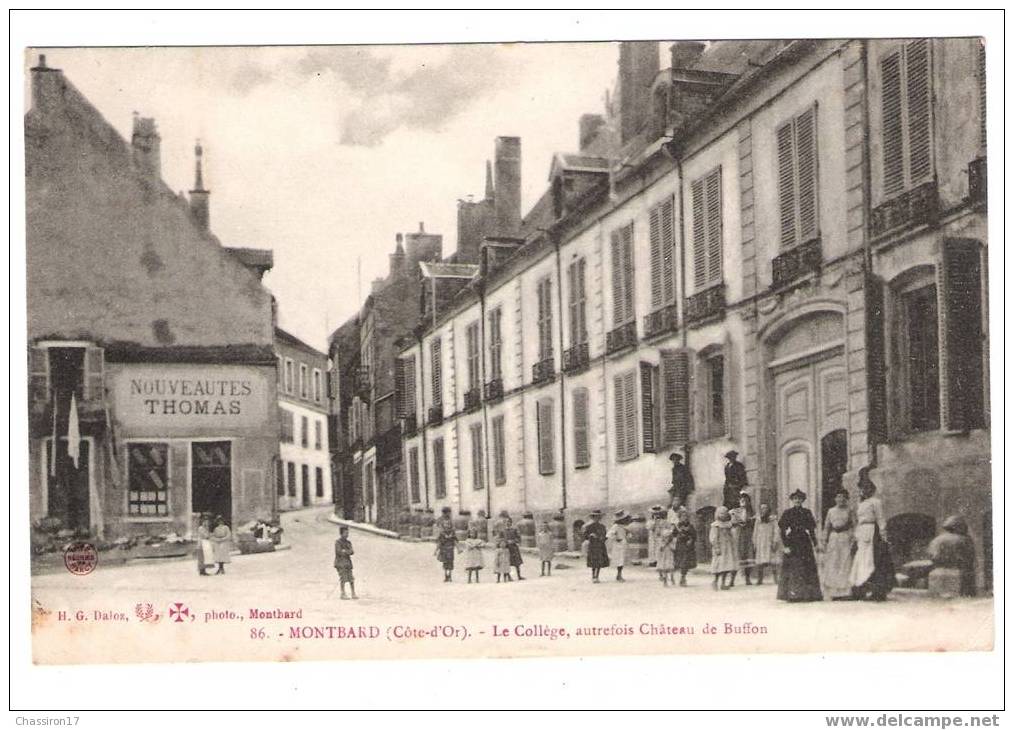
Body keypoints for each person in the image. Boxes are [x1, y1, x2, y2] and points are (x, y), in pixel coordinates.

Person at [849, 468, 895, 601]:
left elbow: (880, 518)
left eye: (867, 488)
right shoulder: (861, 504)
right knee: (860, 560)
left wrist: (883, 534)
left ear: (872, 489)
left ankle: (878, 591)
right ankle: (860, 590)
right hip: (862, 533)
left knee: (874, 560)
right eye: (862, 489)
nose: (864, 491)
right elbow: (858, 521)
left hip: (873, 533)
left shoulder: (876, 502)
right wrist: (856, 535)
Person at [777, 490, 823, 602]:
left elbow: (811, 530)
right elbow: (782, 530)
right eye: (795, 498)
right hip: (792, 540)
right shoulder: (787, 512)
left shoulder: (807, 512)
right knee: (794, 567)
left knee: (807, 567)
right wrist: (785, 545)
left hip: (804, 541)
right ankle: (793, 594)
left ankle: (809, 594)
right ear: (792, 500)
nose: (797, 500)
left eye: (799, 498)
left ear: (803, 500)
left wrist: (815, 543)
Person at [927, 515, 977, 597]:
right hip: (960, 572)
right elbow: (969, 558)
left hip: (938, 571)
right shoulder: (965, 539)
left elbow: (932, 556)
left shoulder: (936, 540)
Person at [822, 489, 855, 600]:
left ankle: (845, 592)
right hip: (833, 538)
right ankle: (834, 592)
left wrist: (853, 537)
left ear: (846, 498)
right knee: (834, 562)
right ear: (835, 499)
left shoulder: (850, 510)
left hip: (845, 537)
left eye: (843, 497)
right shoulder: (831, 511)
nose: (841, 499)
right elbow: (827, 526)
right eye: (838, 497)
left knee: (844, 562)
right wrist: (824, 540)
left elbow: (854, 525)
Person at [730, 492, 756, 586]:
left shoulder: (751, 512)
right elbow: (731, 523)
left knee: (748, 555)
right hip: (738, 535)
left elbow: (754, 524)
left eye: (745, 499)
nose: (743, 501)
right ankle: (732, 580)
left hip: (748, 535)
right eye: (741, 499)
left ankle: (747, 578)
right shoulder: (734, 511)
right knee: (737, 556)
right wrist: (736, 522)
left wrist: (750, 521)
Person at [751, 503, 781, 586]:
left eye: (765, 508)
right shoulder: (758, 520)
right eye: (762, 508)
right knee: (760, 562)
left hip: (770, 542)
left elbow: (776, 531)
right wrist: (755, 543)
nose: (764, 510)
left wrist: (775, 541)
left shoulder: (773, 520)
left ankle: (776, 578)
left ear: (769, 510)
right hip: (761, 543)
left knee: (773, 561)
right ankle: (760, 579)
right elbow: (755, 532)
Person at [709, 506, 739, 590]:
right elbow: (713, 537)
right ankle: (715, 581)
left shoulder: (728, 524)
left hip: (728, 548)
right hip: (720, 548)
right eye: (721, 513)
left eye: (725, 513)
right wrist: (716, 547)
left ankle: (723, 583)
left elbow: (732, 533)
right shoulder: (716, 525)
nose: (723, 515)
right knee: (719, 565)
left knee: (726, 566)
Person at [670, 506, 698, 587]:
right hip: (680, 547)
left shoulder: (690, 526)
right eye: (683, 516)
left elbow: (694, 535)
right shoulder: (677, 526)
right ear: (680, 517)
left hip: (688, 548)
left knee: (685, 563)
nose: (685, 518)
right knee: (678, 563)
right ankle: (673, 576)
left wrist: (691, 540)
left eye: (686, 516)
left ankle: (683, 578)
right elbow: (673, 535)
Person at [582, 510, 610, 583]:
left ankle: (597, 576)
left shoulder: (602, 527)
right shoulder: (588, 526)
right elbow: (584, 536)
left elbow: (606, 536)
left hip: (600, 546)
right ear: (593, 517)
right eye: (595, 517)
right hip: (593, 546)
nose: (597, 518)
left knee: (599, 562)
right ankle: (593, 576)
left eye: (598, 517)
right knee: (593, 562)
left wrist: (602, 538)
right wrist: (590, 536)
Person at [606, 510, 633, 582]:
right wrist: (616, 538)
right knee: (619, 560)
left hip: (623, 544)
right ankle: (619, 575)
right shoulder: (615, 526)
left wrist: (628, 534)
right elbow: (609, 535)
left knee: (622, 559)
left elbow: (629, 536)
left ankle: (619, 574)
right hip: (618, 545)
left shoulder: (625, 527)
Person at [334, 525, 357, 599]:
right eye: (345, 533)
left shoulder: (348, 542)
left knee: (351, 579)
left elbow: (352, 551)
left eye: (348, 533)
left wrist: (345, 551)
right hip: (340, 563)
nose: (347, 534)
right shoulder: (338, 542)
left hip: (348, 563)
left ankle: (353, 593)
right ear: (341, 533)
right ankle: (342, 593)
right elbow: (339, 552)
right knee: (343, 578)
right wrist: (346, 551)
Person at [655, 517, 677, 586]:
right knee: (665, 566)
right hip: (664, 552)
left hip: (668, 552)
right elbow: (660, 545)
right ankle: (666, 579)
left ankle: (671, 578)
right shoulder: (662, 537)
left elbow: (672, 544)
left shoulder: (670, 535)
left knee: (669, 565)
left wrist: (667, 544)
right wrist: (663, 545)